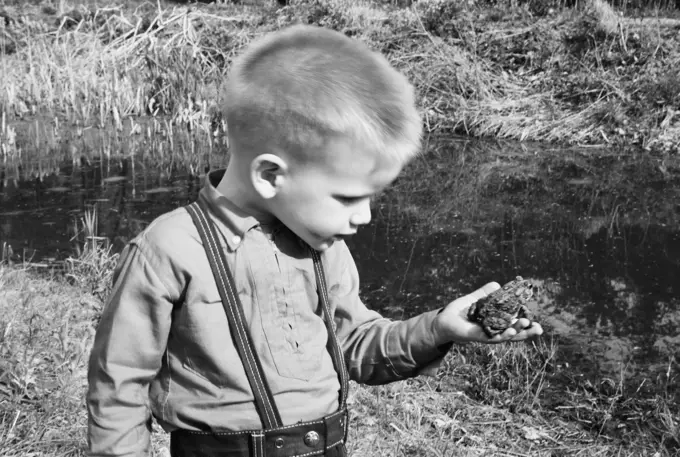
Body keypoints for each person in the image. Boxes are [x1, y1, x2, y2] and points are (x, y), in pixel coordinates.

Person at [86, 24, 543, 457]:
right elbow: (118, 388)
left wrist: (441, 327)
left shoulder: (325, 249)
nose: (364, 217)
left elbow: (359, 347)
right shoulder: (169, 249)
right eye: (348, 197)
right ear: (270, 175)